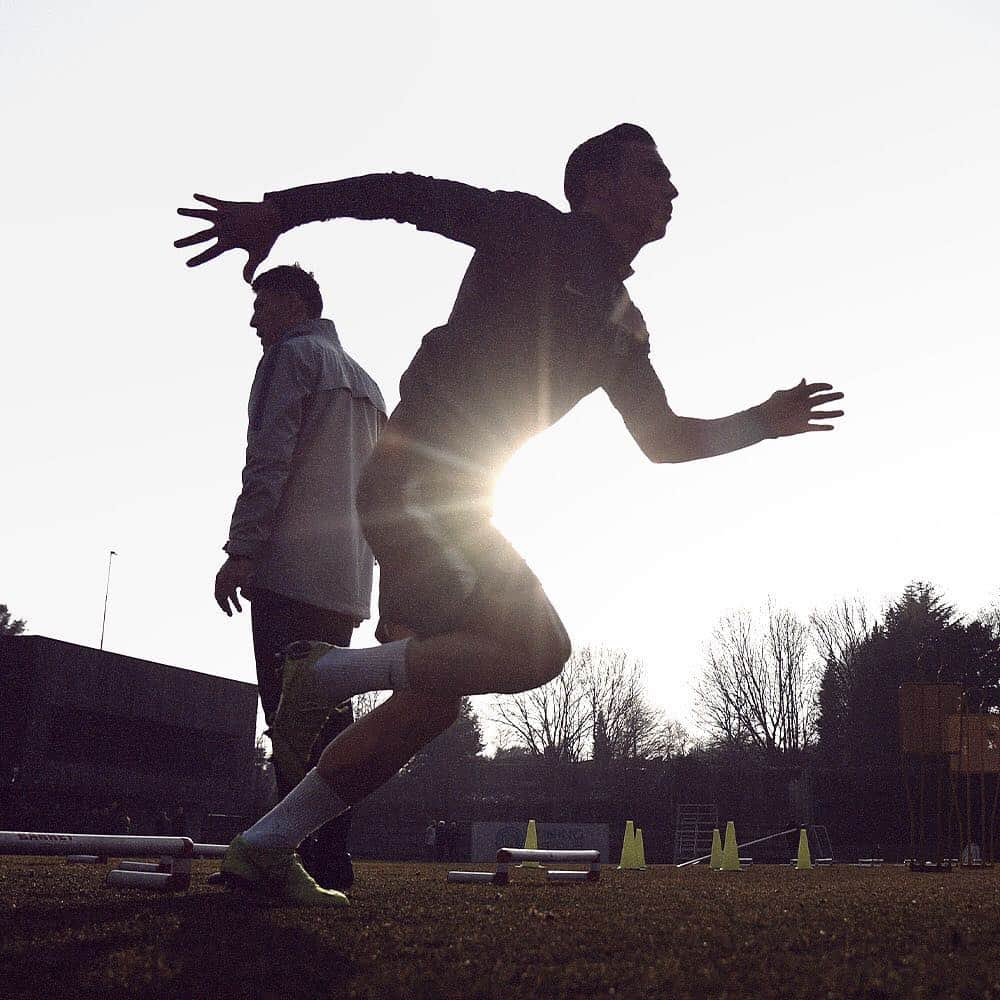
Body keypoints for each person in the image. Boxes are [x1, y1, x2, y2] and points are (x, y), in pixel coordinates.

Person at [176, 123, 844, 906]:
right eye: (653, 170)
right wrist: (280, 212)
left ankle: (267, 843)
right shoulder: (530, 228)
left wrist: (761, 421)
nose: (672, 187)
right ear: (595, 182)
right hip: (420, 481)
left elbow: (662, 441)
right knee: (538, 649)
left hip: (448, 499)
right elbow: (402, 194)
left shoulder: (623, 324)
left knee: (431, 701)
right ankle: (321, 672)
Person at [213, 263, 386, 893]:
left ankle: (284, 857)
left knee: (287, 721)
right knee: (329, 722)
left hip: (289, 567)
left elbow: (270, 457)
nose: (254, 319)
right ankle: (329, 859)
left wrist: (242, 548)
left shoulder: (293, 359)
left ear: (295, 302)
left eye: (262, 304)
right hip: (346, 579)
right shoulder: (369, 384)